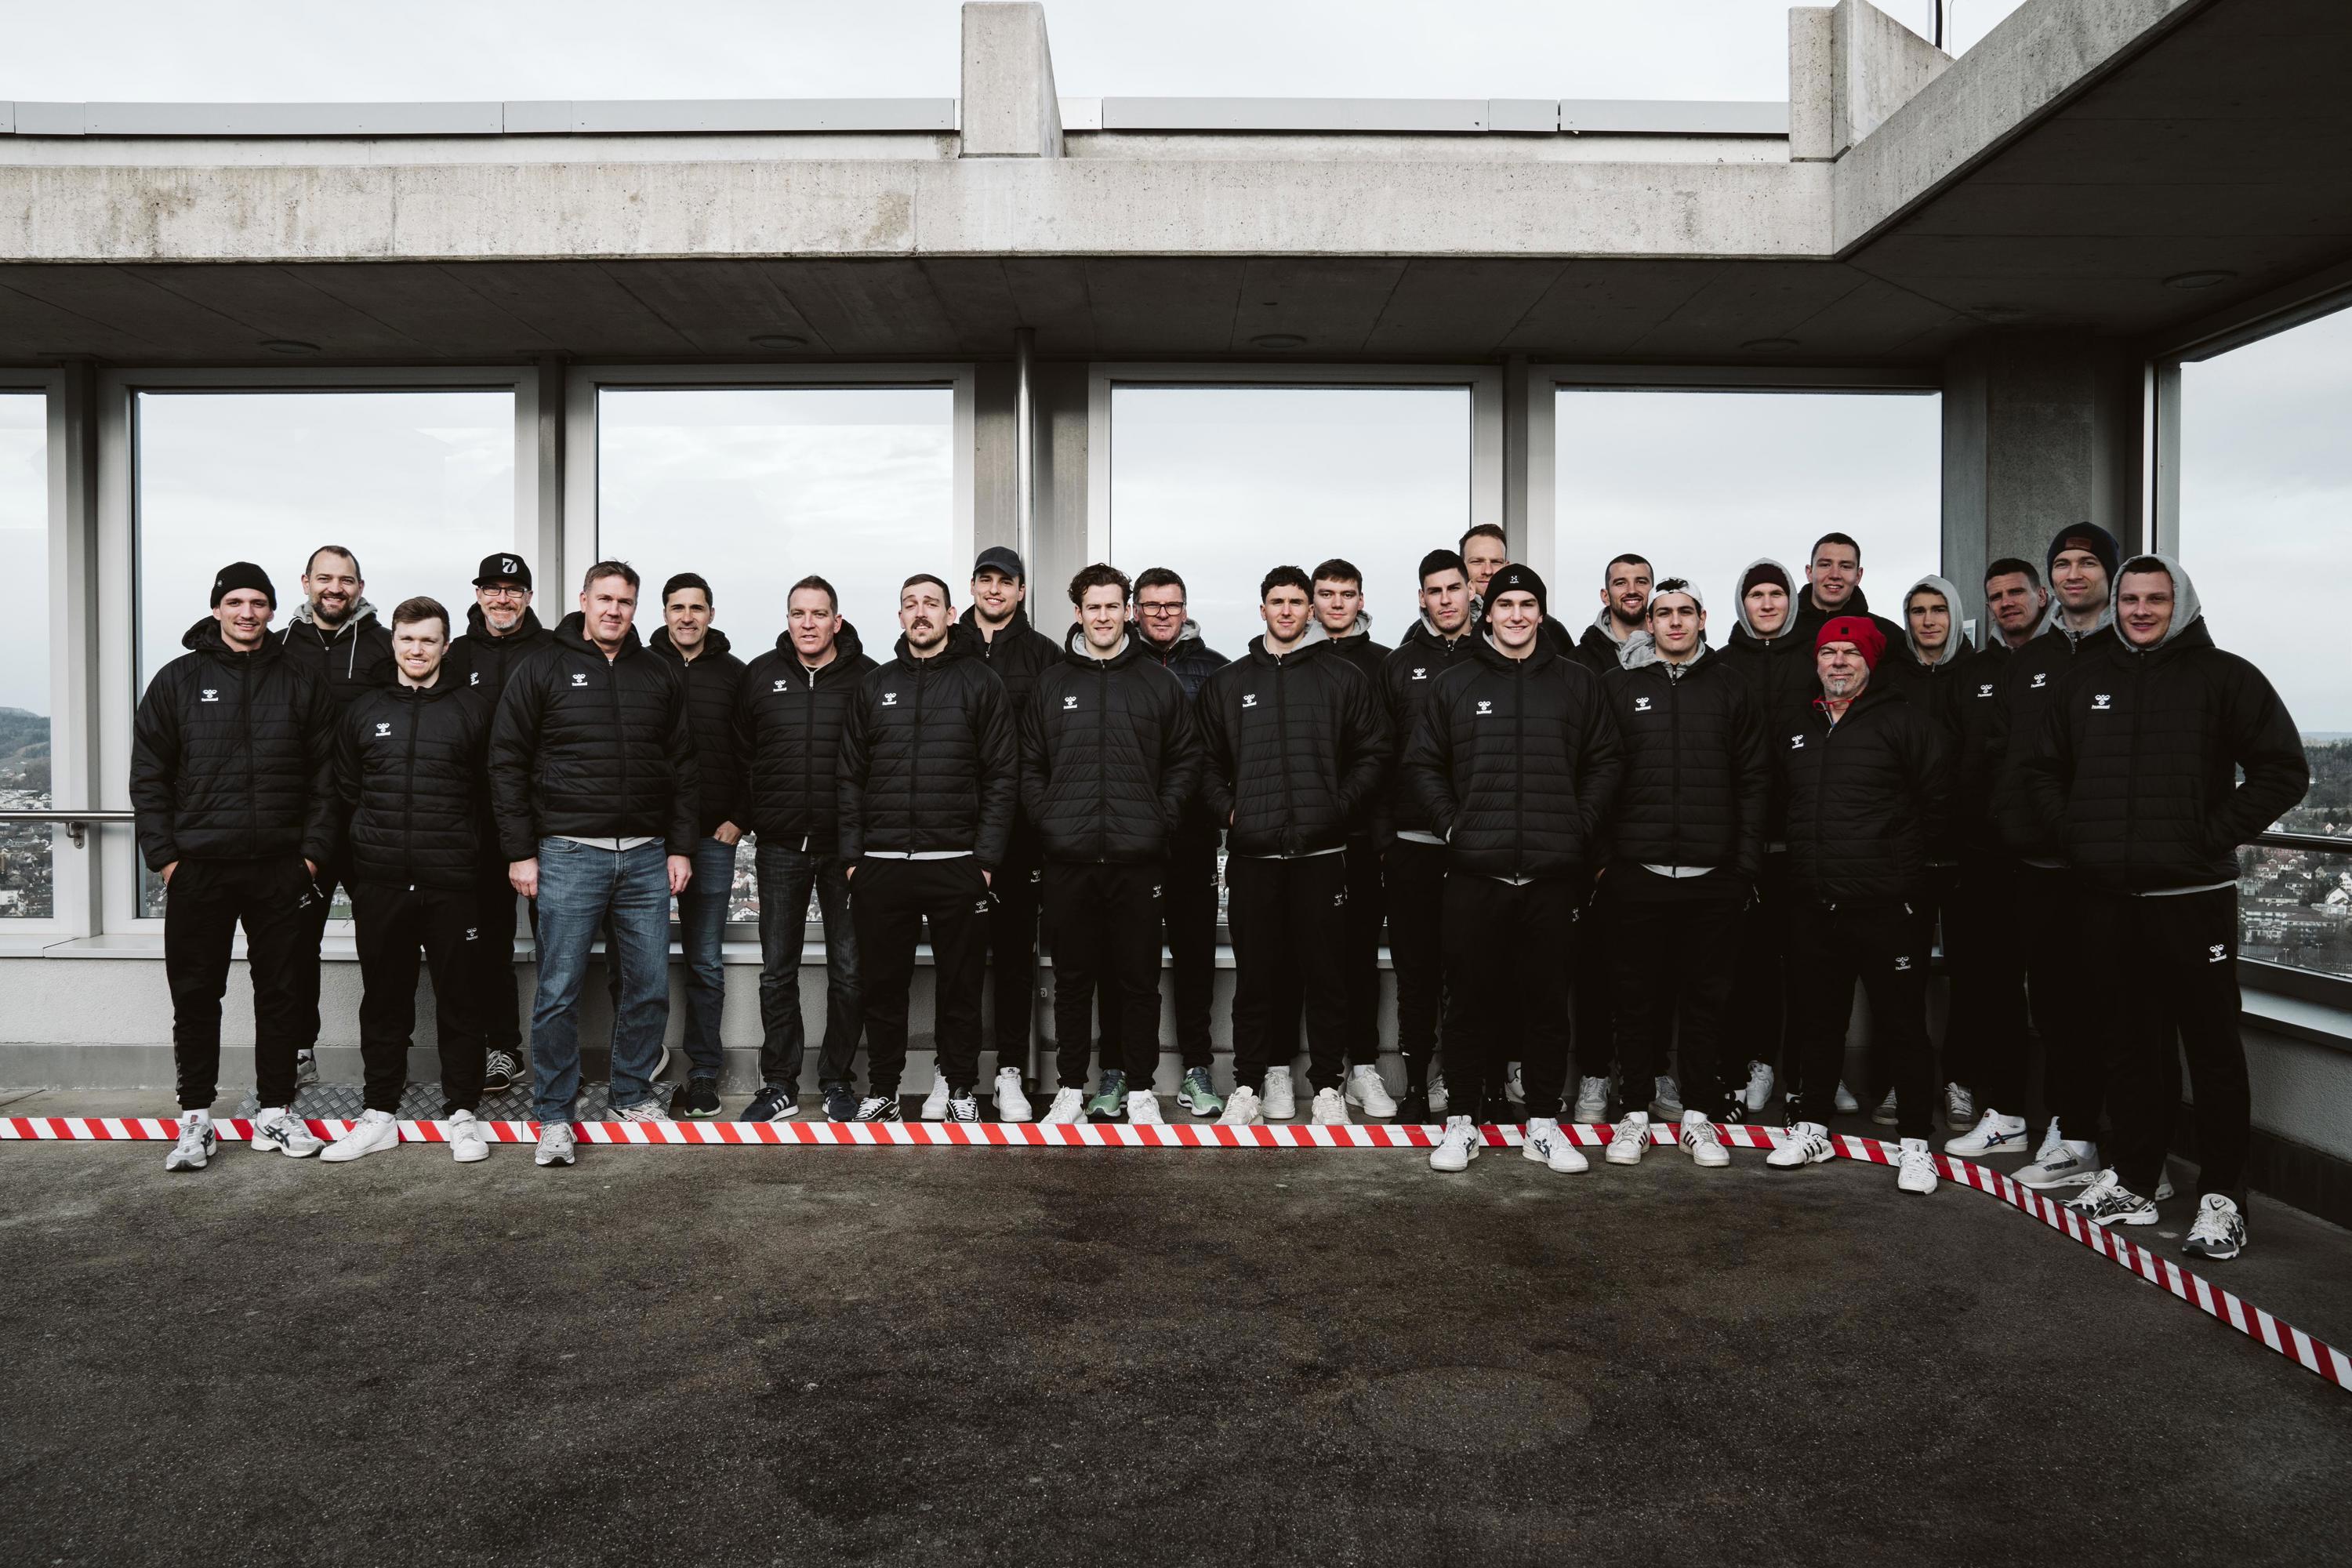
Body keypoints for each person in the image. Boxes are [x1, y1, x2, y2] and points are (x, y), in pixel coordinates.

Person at [2029, 556, 2307, 1260]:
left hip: (2193, 901)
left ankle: (2222, 1197)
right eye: (2131, 598)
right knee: (2127, 1046)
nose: (2142, 610)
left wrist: (2206, 836)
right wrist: (2076, 835)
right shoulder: (2085, 680)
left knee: (2211, 1051)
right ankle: (2136, 1177)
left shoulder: (2225, 677)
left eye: (2156, 598)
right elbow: (2040, 771)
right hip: (2108, 900)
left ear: (2180, 604)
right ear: (2115, 603)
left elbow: (2283, 769)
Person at [1404, 564, 1623, 1175]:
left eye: (1529, 604)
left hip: (1553, 876)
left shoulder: (1577, 683)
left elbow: (1606, 762)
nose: (1518, 615)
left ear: (1540, 612)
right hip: (1478, 873)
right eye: (1507, 604)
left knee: (1548, 1005)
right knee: (1469, 1004)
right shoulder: (1455, 683)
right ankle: (1462, 1124)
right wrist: (1455, 825)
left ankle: (1545, 1125)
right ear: (1488, 611)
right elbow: (1422, 764)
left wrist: (1576, 827)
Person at [490, 561, 700, 1168]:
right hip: (566, 853)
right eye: (604, 598)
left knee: (648, 986)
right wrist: (520, 851)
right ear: (583, 599)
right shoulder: (542, 668)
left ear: (637, 609)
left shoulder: (657, 674)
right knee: (558, 989)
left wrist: (680, 846)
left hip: (644, 856)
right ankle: (554, 1114)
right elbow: (507, 761)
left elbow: (683, 767)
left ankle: (631, 1094)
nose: (614, 610)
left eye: (625, 601)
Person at [132, 561, 337, 1171]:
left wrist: (311, 858)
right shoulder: (177, 680)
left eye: (259, 602)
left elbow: (329, 779)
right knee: (196, 996)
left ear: (274, 611)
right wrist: (166, 861)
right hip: (200, 869)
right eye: (236, 602)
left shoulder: (300, 681)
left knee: (282, 994)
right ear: (217, 608)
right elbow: (149, 776)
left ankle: (274, 1112)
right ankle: (196, 1119)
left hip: (280, 869)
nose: (248, 612)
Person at [1763, 616, 1948, 1194]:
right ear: (1815, 663)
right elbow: (1779, 804)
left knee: (1902, 1027)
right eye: (1829, 653)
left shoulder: (1903, 721)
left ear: (1870, 663)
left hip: (1889, 907)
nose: (1838, 662)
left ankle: (1916, 1143)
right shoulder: (1797, 724)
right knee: (1818, 1022)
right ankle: (1813, 1124)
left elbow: (1939, 807)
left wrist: (1914, 887)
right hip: (1816, 904)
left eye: (1850, 654)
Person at [1198, 565, 1387, 1128]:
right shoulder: (1229, 683)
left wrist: (1334, 808)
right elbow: (1202, 762)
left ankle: (1328, 1085)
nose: (1286, 610)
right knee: (1256, 979)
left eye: (1296, 602)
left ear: (1310, 611)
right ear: (1262, 609)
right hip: (1254, 857)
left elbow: (1374, 753)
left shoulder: (1342, 678)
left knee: (1326, 978)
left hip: (1322, 858)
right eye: (1276, 601)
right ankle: (1249, 1086)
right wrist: (1232, 811)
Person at [1593, 579, 1766, 1171]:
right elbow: (1596, 773)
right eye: (1663, 613)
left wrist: (1743, 867)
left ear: (1702, 619)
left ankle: (1699, 1115)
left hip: (1712, 875)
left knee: (1704, 1002)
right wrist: (1604, 864)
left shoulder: (1731, 687)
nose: (1673, 622)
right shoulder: (1617, 688)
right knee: (1635, 1001)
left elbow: (1754, 781)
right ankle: (1635, 1114)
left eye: (1684, 612)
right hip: (1636, 872)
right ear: (1650, 622)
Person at [1022, 564, 1201, 1125]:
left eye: (1112, 606)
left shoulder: (1157, 682)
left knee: (1138, 980)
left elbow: (1185, 760)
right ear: (1078, 613)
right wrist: (1049, 820)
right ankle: (1071, 1088)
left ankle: (1143, 1089)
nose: (1103, 616)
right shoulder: (1053, 683)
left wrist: (1160, 820)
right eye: (1092, 607)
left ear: (1128, 610)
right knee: (1073, 980)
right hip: (1069, 858)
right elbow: (1029, 764)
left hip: (1136, 857)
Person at [840, 573, 1018, 1123]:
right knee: (882, 986)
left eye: (931, 604)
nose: (920, 613)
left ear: (950, 615)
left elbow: (1001, 776)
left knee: (961, 986)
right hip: (882, 867)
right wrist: (853, 860)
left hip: (957, 866)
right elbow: (849, 776)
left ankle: (962, 1088)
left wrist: (985, 861)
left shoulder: (980, 683)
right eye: (910, 605)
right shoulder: (874, 685)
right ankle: (886, 1090)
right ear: (899, 617)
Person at [322, 597, 493, 1164]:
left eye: (428, 640)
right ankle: (379, 1114)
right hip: (383, 883)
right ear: (393, 642)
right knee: (385, 1000)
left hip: (452, 883)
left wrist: (471, 864)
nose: (417, 649)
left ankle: (463, 1112)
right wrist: (364, 872)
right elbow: (347, 794)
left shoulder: (473, 710)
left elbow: (491, 796)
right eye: (408, 639)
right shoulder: (364, 710)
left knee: (462, 999)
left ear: (446, 645)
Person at [1998, 524, 2128, 1192]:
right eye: (2064, 564)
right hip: (2040, 868)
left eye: (2088, 563)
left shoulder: (2132, 650)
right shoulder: (2031, 658)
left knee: (2116, 1009)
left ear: (2111, 573)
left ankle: (2134, 1154)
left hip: (2108, 870)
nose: (2075, 574)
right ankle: (2073, 1136)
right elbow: (2016, 761)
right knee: (2053, 1008)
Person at [738, 576, 876, 1123]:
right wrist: (754, 818)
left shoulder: (866, 679)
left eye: (820, 614)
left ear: (837, 621)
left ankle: (839, 1079)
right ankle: (779, 1084)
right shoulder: (760, 676)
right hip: (779, 847)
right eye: (799, 613)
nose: (809, 623)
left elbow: (877, 763)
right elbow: (741, 755)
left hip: (846, 851)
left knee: (849, 970)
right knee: (777, 971)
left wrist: (862, 842)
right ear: (788, 618)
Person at [1939, 558, 2049, 1158]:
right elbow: (1960, 766)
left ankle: (2072, 1127)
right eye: (1996, 596)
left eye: (2017, 593)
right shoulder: (1973, 674)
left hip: (2054, 861)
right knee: (1993, 990)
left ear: (2042, 595)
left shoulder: (2067, 664)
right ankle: (2006, 1114)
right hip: (1983, 860)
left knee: (2063, 998)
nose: (2007, 603)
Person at [945, 545, 1058, 1122]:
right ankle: (950, 1069)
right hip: (953, 830)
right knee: (956, 955)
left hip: (1019, 834)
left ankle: (1010, 1070)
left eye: (1005, 582)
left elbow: (1049, 747)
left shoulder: (1043, 656)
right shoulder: (946, 646)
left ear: (1020, 590)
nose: (994, 590)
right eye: (985, 580)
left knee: (1015, 955)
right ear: (971, 587)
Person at [1110, 566, 1229, 1116]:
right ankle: (1115, 1071)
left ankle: (1197, 1069)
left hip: (1192, 836)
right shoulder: (1117, 667)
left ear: (1186, 610)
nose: (1161, 614)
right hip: (1127, 836)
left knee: (1195, 956)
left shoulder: (1215, 671)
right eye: (1151, 605)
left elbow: (1223, 753)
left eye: (1172, 605)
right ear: (1134, 610)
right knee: (1121, 957)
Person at [278, 545, 397, 1089]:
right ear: (305, 582)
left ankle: (386, 1060)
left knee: (384, 944)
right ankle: (299, 1052)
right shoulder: (279, 645)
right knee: (297, 942)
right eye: (324, 578)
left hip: (370, 819)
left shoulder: (383, 645)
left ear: (360, 585)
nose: (335, 588)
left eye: (345, 580)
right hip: (302, 824)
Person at [445, 552, 551, 1096]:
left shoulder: (553, 650)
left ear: (529, 597)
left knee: (560, 943)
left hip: (548, 823)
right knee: (488, 945)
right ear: (480, 594)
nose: (503, 598)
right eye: (492, 588)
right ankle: (503, 1049)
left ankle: (559, 1057)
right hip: (478, 826)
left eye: (514, 589)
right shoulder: (455, 655)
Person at [1381, 549, 1481, 1122]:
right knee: (1415, 974)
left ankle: (1474, 1084)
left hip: (1478, 847)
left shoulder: (1493, 658)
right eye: (1434, 591)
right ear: (1421, 597)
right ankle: (1416, 1087)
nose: (1445, 599)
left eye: (1454, 588)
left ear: (1471, 591)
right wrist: (1386, 837)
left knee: (1473, 972)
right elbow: (1381, 752)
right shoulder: (1399, 665)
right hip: (1413, 845)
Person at [646, 572, 749, 1120]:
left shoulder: (735, 675)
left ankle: (704, 1072)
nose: (687, 617)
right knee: (636, 960)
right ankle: (643, 1059)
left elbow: (756, 748)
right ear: (663, 612)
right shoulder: (640, 667)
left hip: (711, 837)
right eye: (677, 607)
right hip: (646, 839)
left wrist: (739, 817)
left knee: (704, 962)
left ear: (711, 613)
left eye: (697, 607)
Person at [1874, 574, 1973, 1132]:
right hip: (1902, 855)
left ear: (1954, 615)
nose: (1928, 620)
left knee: (1971, 976)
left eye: (1938, 609)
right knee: (1900, 979)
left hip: (1967, 854)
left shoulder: (1982, 674)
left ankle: (1959, 1080)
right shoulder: (1891, 680)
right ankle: (1898, 1076)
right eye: (1917, 610)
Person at [1301, 557, 1397, 1119]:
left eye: (1347, 594)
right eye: (1327, 593)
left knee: (1358, 956)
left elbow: (1383, 755)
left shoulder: (1382, 665)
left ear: (1362, 601)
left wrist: (1377, 833)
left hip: (1359, 837)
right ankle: (1313, 1077)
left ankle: (1362, 1068)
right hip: (1305, 841)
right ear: (1312, 601)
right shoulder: (1295, 662)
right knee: (1308, 958)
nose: (1336, 603)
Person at [1718, 559, 1813, 1118]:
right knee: (1747, 967)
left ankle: (1800, 1076)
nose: (1768, 603)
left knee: (1802, 966)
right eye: (1757, 595)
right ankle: (1753, 1065)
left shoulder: (1813, 659)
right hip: (1743, 844)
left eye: (1777, 593)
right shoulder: (1725, 665)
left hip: (1803, 842)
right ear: (1742, 604)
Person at [1789, 532, 1905, 652]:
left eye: (1845, 566)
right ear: (1810, 573)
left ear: (1858, 576)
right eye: (1825, 565)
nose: (1835, 575)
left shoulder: (1889, 636)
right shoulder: (1781, 627)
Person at [1575, 554, 1658, 675]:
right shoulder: (1579, 661)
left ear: (1653, 593)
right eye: (1621, 583)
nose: (1632, 590)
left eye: (1641, 582)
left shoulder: (1676, 648)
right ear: (1605, 596)